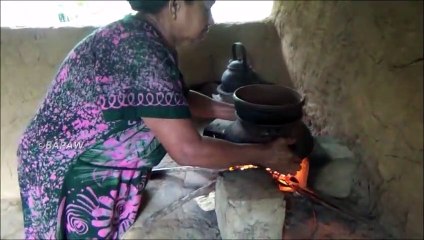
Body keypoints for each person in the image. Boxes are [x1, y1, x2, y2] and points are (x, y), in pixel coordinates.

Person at [16, 0, 301, 239]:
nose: (211, 19)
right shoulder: (140, 53)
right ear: (176, 5)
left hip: (79, 160)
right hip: (64, 168)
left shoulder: (144, 38)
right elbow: (188, 150)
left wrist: (233, 111)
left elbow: (171, 99)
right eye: (206, 6)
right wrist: (265, 154)